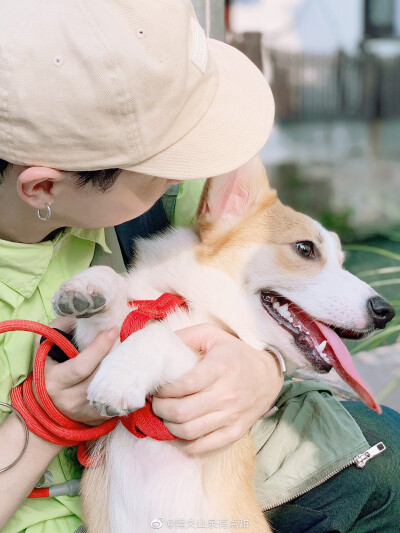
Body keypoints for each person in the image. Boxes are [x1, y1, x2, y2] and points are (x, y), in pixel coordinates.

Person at [0, 1, 398, 532]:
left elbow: (238, 284)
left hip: (195, 478)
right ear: (44, 187)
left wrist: (260, 369)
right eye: (162, 165)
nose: (188, 174)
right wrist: (45, 422)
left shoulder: (155, 203)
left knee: (384, 453)